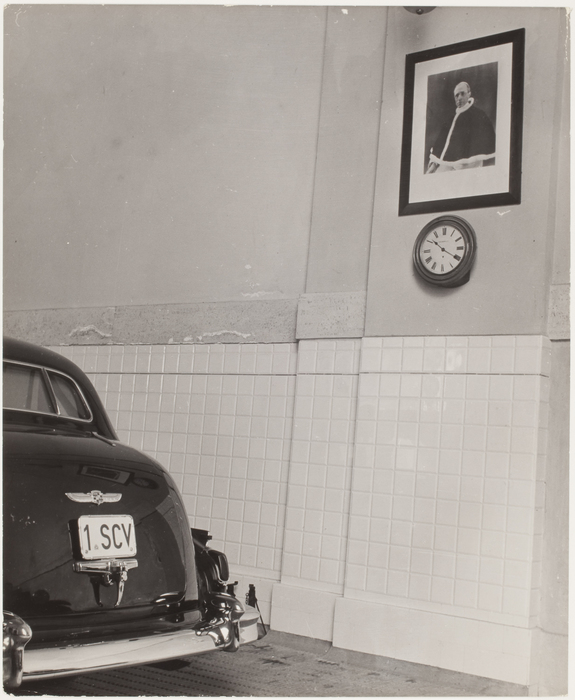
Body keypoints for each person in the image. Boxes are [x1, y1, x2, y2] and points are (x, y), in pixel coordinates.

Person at [426, 81, 496, 174]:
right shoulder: (451, 120)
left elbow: (485, 142)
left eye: (462, 93)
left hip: (470, 165)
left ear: (469, 94)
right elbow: (441, 144)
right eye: (456, 95)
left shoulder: (479, 115)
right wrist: (434, 163)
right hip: (450, 163)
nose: (459, 98)